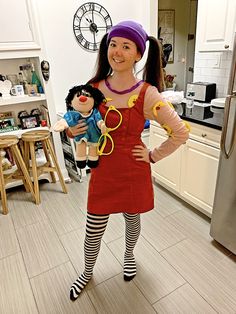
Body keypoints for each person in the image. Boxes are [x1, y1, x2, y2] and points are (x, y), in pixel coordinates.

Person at [68, 20, 189, 301]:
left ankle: (129, 256)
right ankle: (87, 272)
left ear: (138, 54)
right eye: (113, 44)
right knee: (93, 226)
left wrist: (152, 155)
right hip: (103, 170)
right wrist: (75, 131)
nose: (117, 51)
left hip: (134, 170)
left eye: (126, 46)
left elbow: (180, 132)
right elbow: (80, 124)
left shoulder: (148, 93)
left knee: (132, 218)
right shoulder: (93, 88)